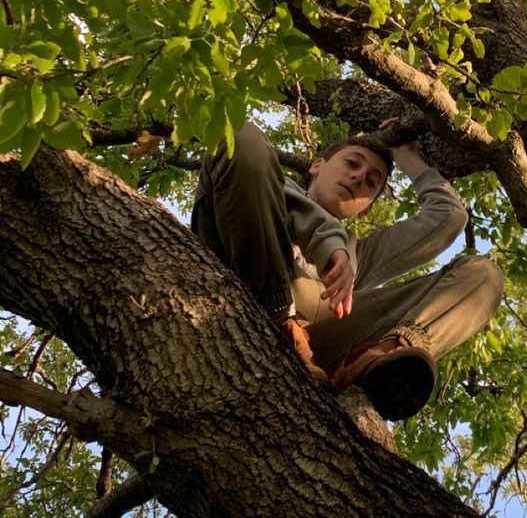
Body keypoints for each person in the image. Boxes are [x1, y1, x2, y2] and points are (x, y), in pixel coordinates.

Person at [191, 121, 503, 420]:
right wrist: (329, 244)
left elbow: (448, 217)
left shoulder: (359, 256)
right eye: (352, 163)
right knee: (243, 137)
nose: (358, 178)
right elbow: (237, 142)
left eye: (371, 182)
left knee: (484, 276)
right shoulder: (265, 183)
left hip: (320, 348)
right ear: (316, 165)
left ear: (366, 208)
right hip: (240, 299)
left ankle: (376, 360)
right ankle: (281, 320)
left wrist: (406, 156)